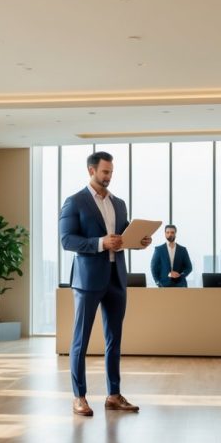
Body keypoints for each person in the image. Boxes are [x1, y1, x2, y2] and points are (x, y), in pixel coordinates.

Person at [59, 151, 151, 416]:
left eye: (111, 172)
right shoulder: (74, 202)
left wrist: (138, 242)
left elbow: (121, 237)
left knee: (114, 340)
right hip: (88, 280)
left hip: (117, 278)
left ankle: (113, 394)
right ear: (91, 171)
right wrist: (101, 243)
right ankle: (79, 397)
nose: (109, 176)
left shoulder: (119, 204)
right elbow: (67, 240)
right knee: (80, 340)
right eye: (104, 172)